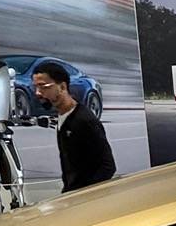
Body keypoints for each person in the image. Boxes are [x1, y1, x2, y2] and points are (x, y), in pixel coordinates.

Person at [32, 61, 116, 193]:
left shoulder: (84, 120)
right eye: (36, 87)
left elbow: (107, 167)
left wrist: (85, 195)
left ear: (62, 87)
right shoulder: (63, 117)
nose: (38, 93)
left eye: (43, 87)